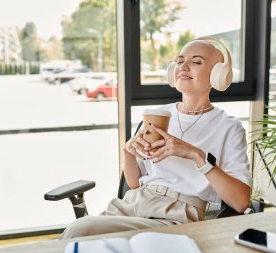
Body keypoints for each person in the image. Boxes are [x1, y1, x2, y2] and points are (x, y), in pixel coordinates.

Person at [60, 37, 251, 239]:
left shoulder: (229, 127)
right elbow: (134, 184)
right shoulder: (158, 115)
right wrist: (128, 152)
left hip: (177, 215)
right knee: (84, 236)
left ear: (217, 75)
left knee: (80, 231)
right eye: (179, 61)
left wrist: (196, 156)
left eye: (196, 62)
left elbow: (241, 202)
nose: (184, 66)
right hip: (133, 203)